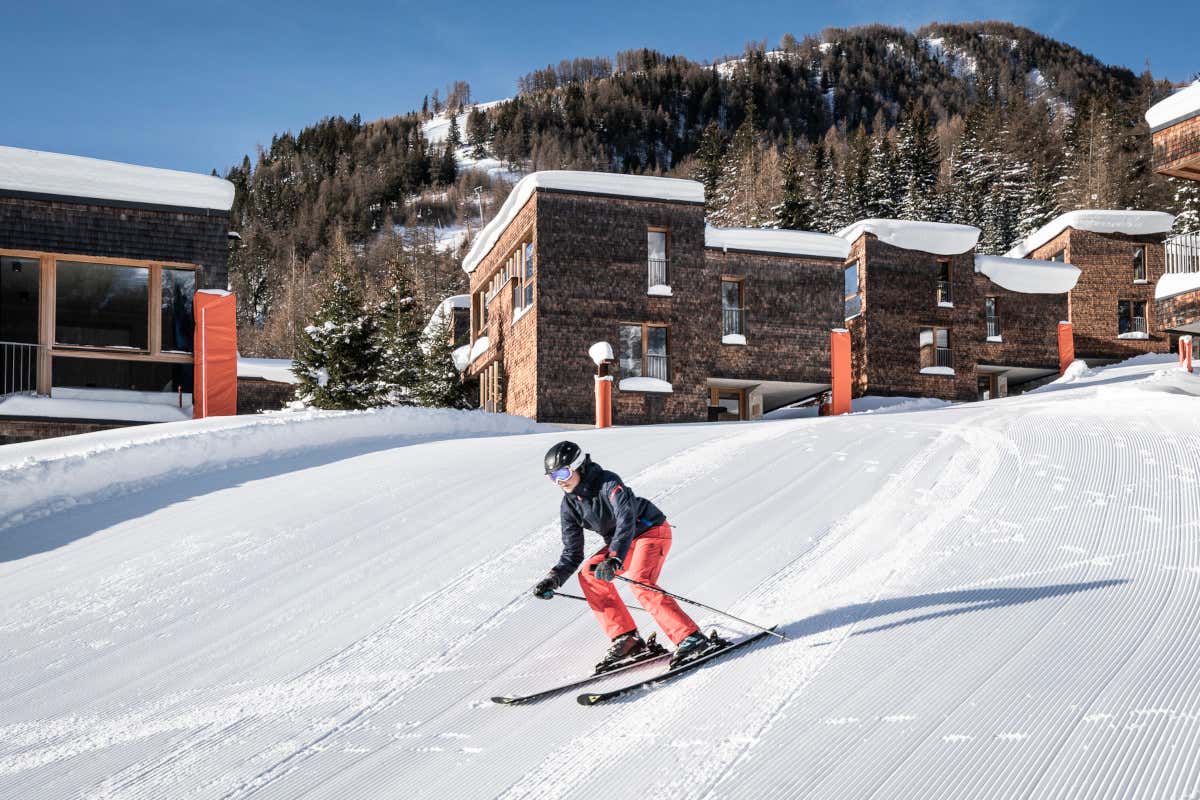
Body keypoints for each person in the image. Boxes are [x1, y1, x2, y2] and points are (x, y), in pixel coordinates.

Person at [532, 441, 714, 671]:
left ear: (578, 466)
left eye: (563, 473)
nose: (560, 481)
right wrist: (554, 578)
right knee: (589, 575)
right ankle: (627, 639)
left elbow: (626, 518)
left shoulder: (607, 482)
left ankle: (691, 638)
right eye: (552, 477)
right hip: (622, 543)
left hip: (650, 531)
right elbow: (572, 551)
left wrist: (615, 557)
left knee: (640, 581)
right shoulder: (569, 505)